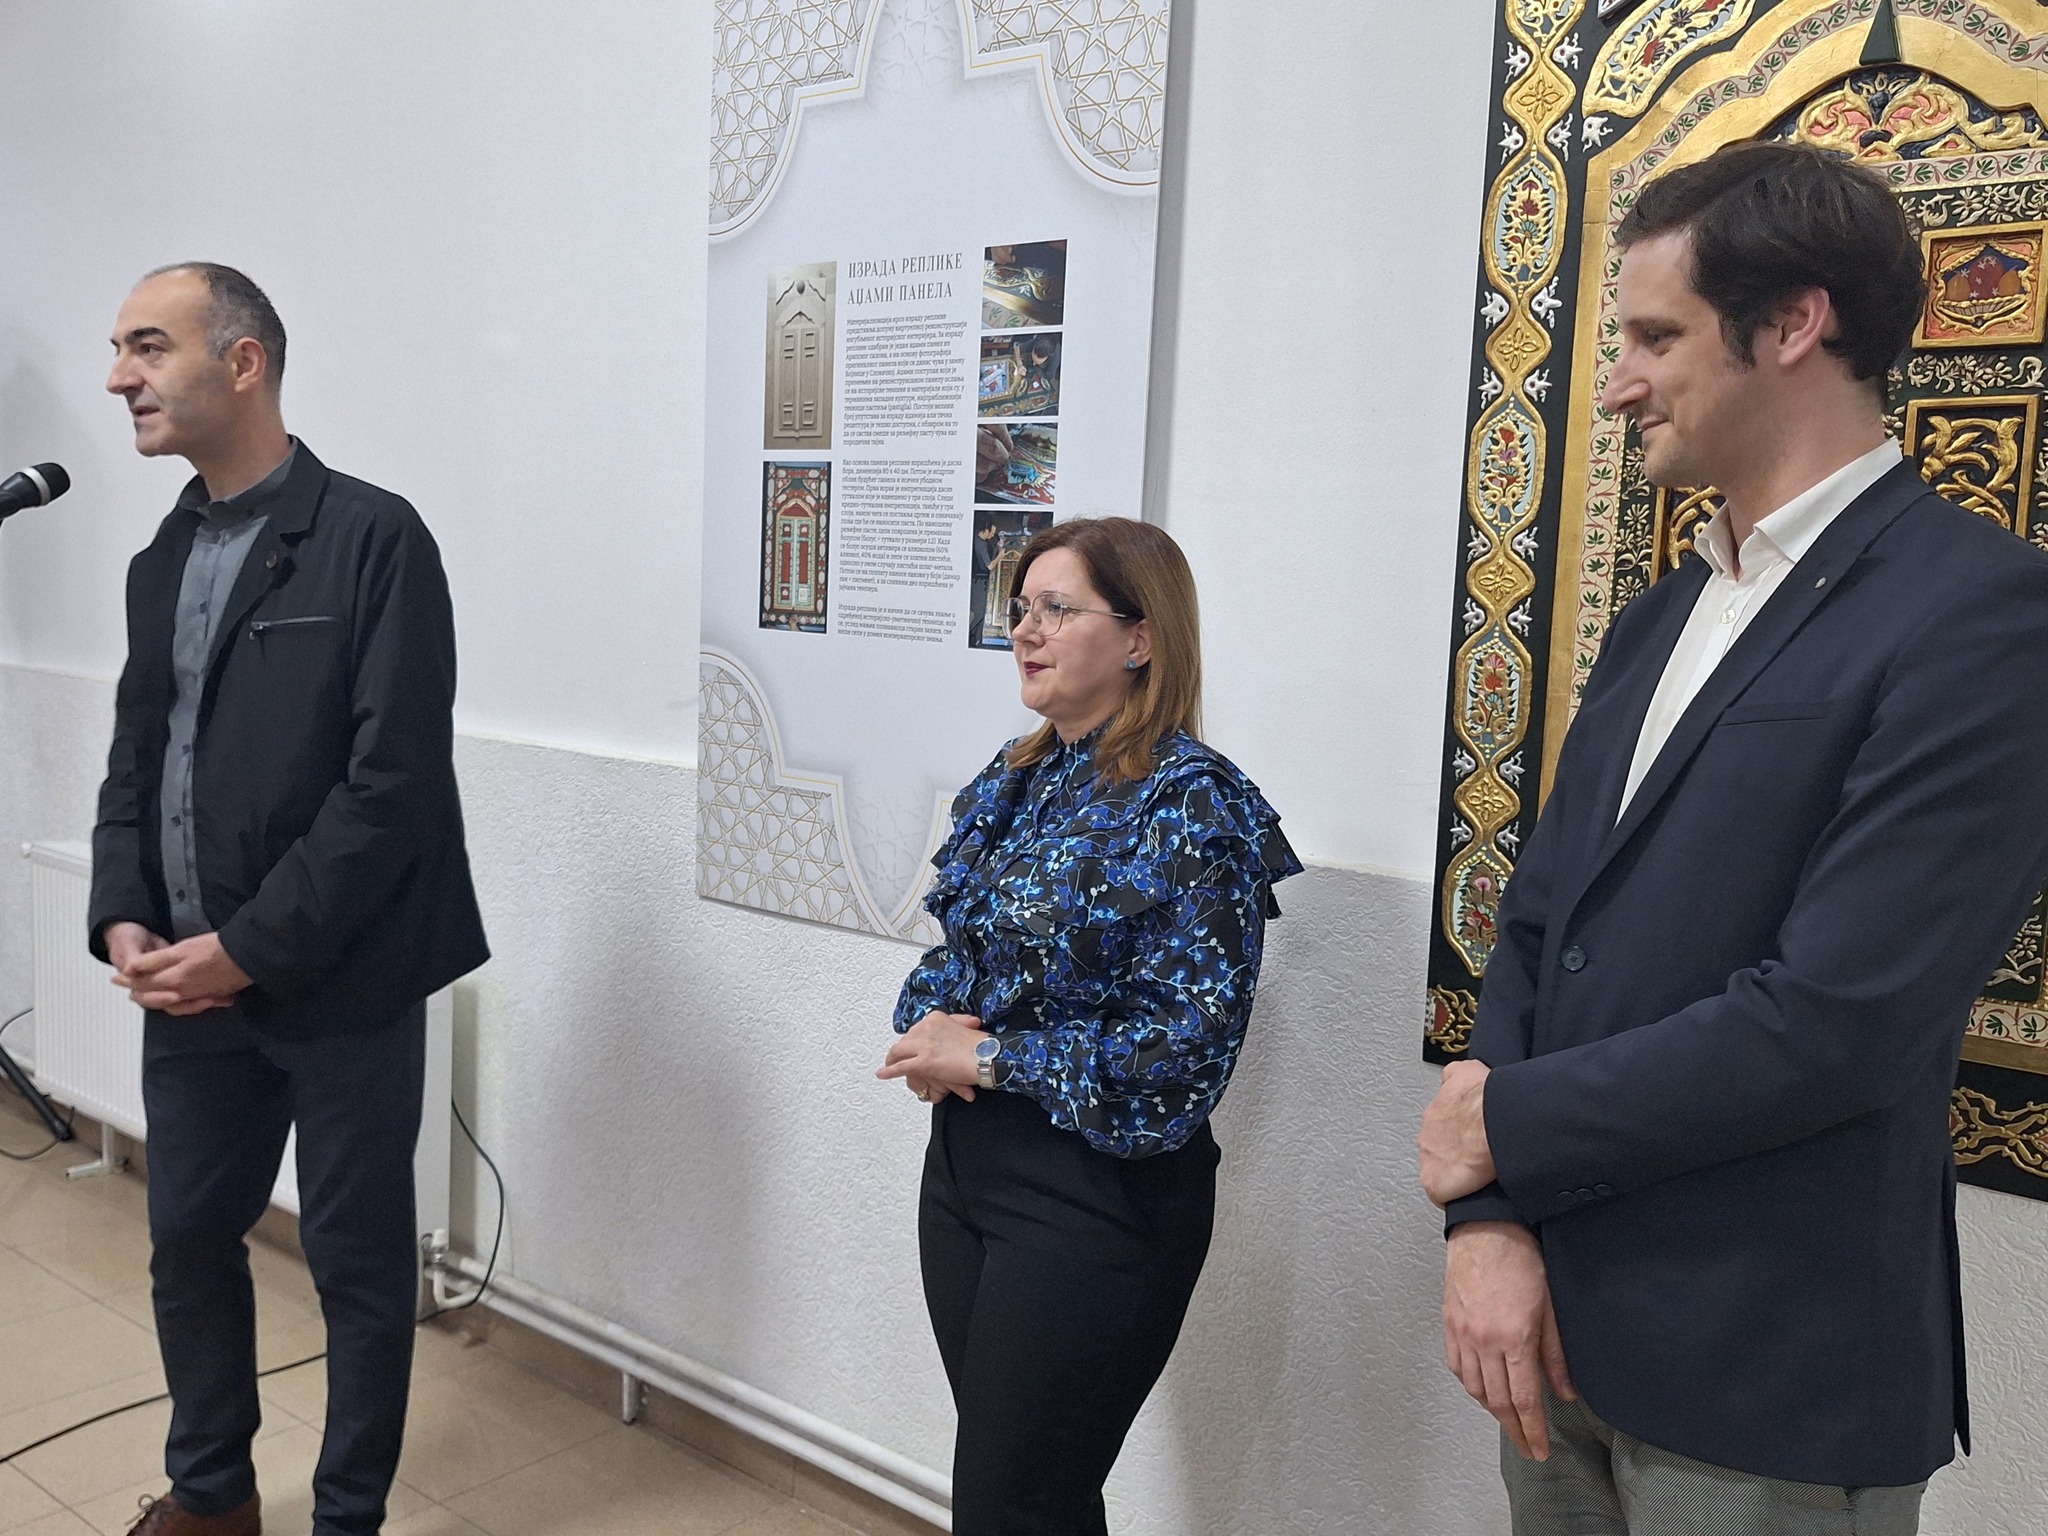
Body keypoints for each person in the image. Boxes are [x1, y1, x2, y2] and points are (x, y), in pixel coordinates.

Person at [1418, 140, 2048, 1534]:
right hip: (1553, 1332)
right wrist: (1491, 1222)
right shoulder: (1662, 613)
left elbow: (1840, 1019)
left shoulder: (1980, 613)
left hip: (1769, 1368)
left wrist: (1499, 1127)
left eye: (1655, 337)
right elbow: (1542, 929)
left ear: (1792, 324)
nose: (1620, 381)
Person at [90, 263, 489, 1536]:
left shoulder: (373, 538)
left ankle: (345, 1520)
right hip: (188, 985)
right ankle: (212, 1498)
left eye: (148, 347)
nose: (120, 377)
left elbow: (393, 788)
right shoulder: (161, 558)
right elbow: (137, 755)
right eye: (119, 351)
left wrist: (248, 948)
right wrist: (123, 911)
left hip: (341, 979)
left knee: (356, 1268)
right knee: (187, 1242)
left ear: (244, 361)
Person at [879, 517, 1300, 1535]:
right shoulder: (1020, 774)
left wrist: (988, 1054)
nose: (1026, 630)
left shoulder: (1195, 803)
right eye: (1021, 608)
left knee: (1013, 1503)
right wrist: (927, 1030)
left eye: (1057, 609)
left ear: (1140, 637)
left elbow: (1182, 1054)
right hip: (968, 1169)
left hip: (1097, 1196)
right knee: (1028, 1497)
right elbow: (961, 947)